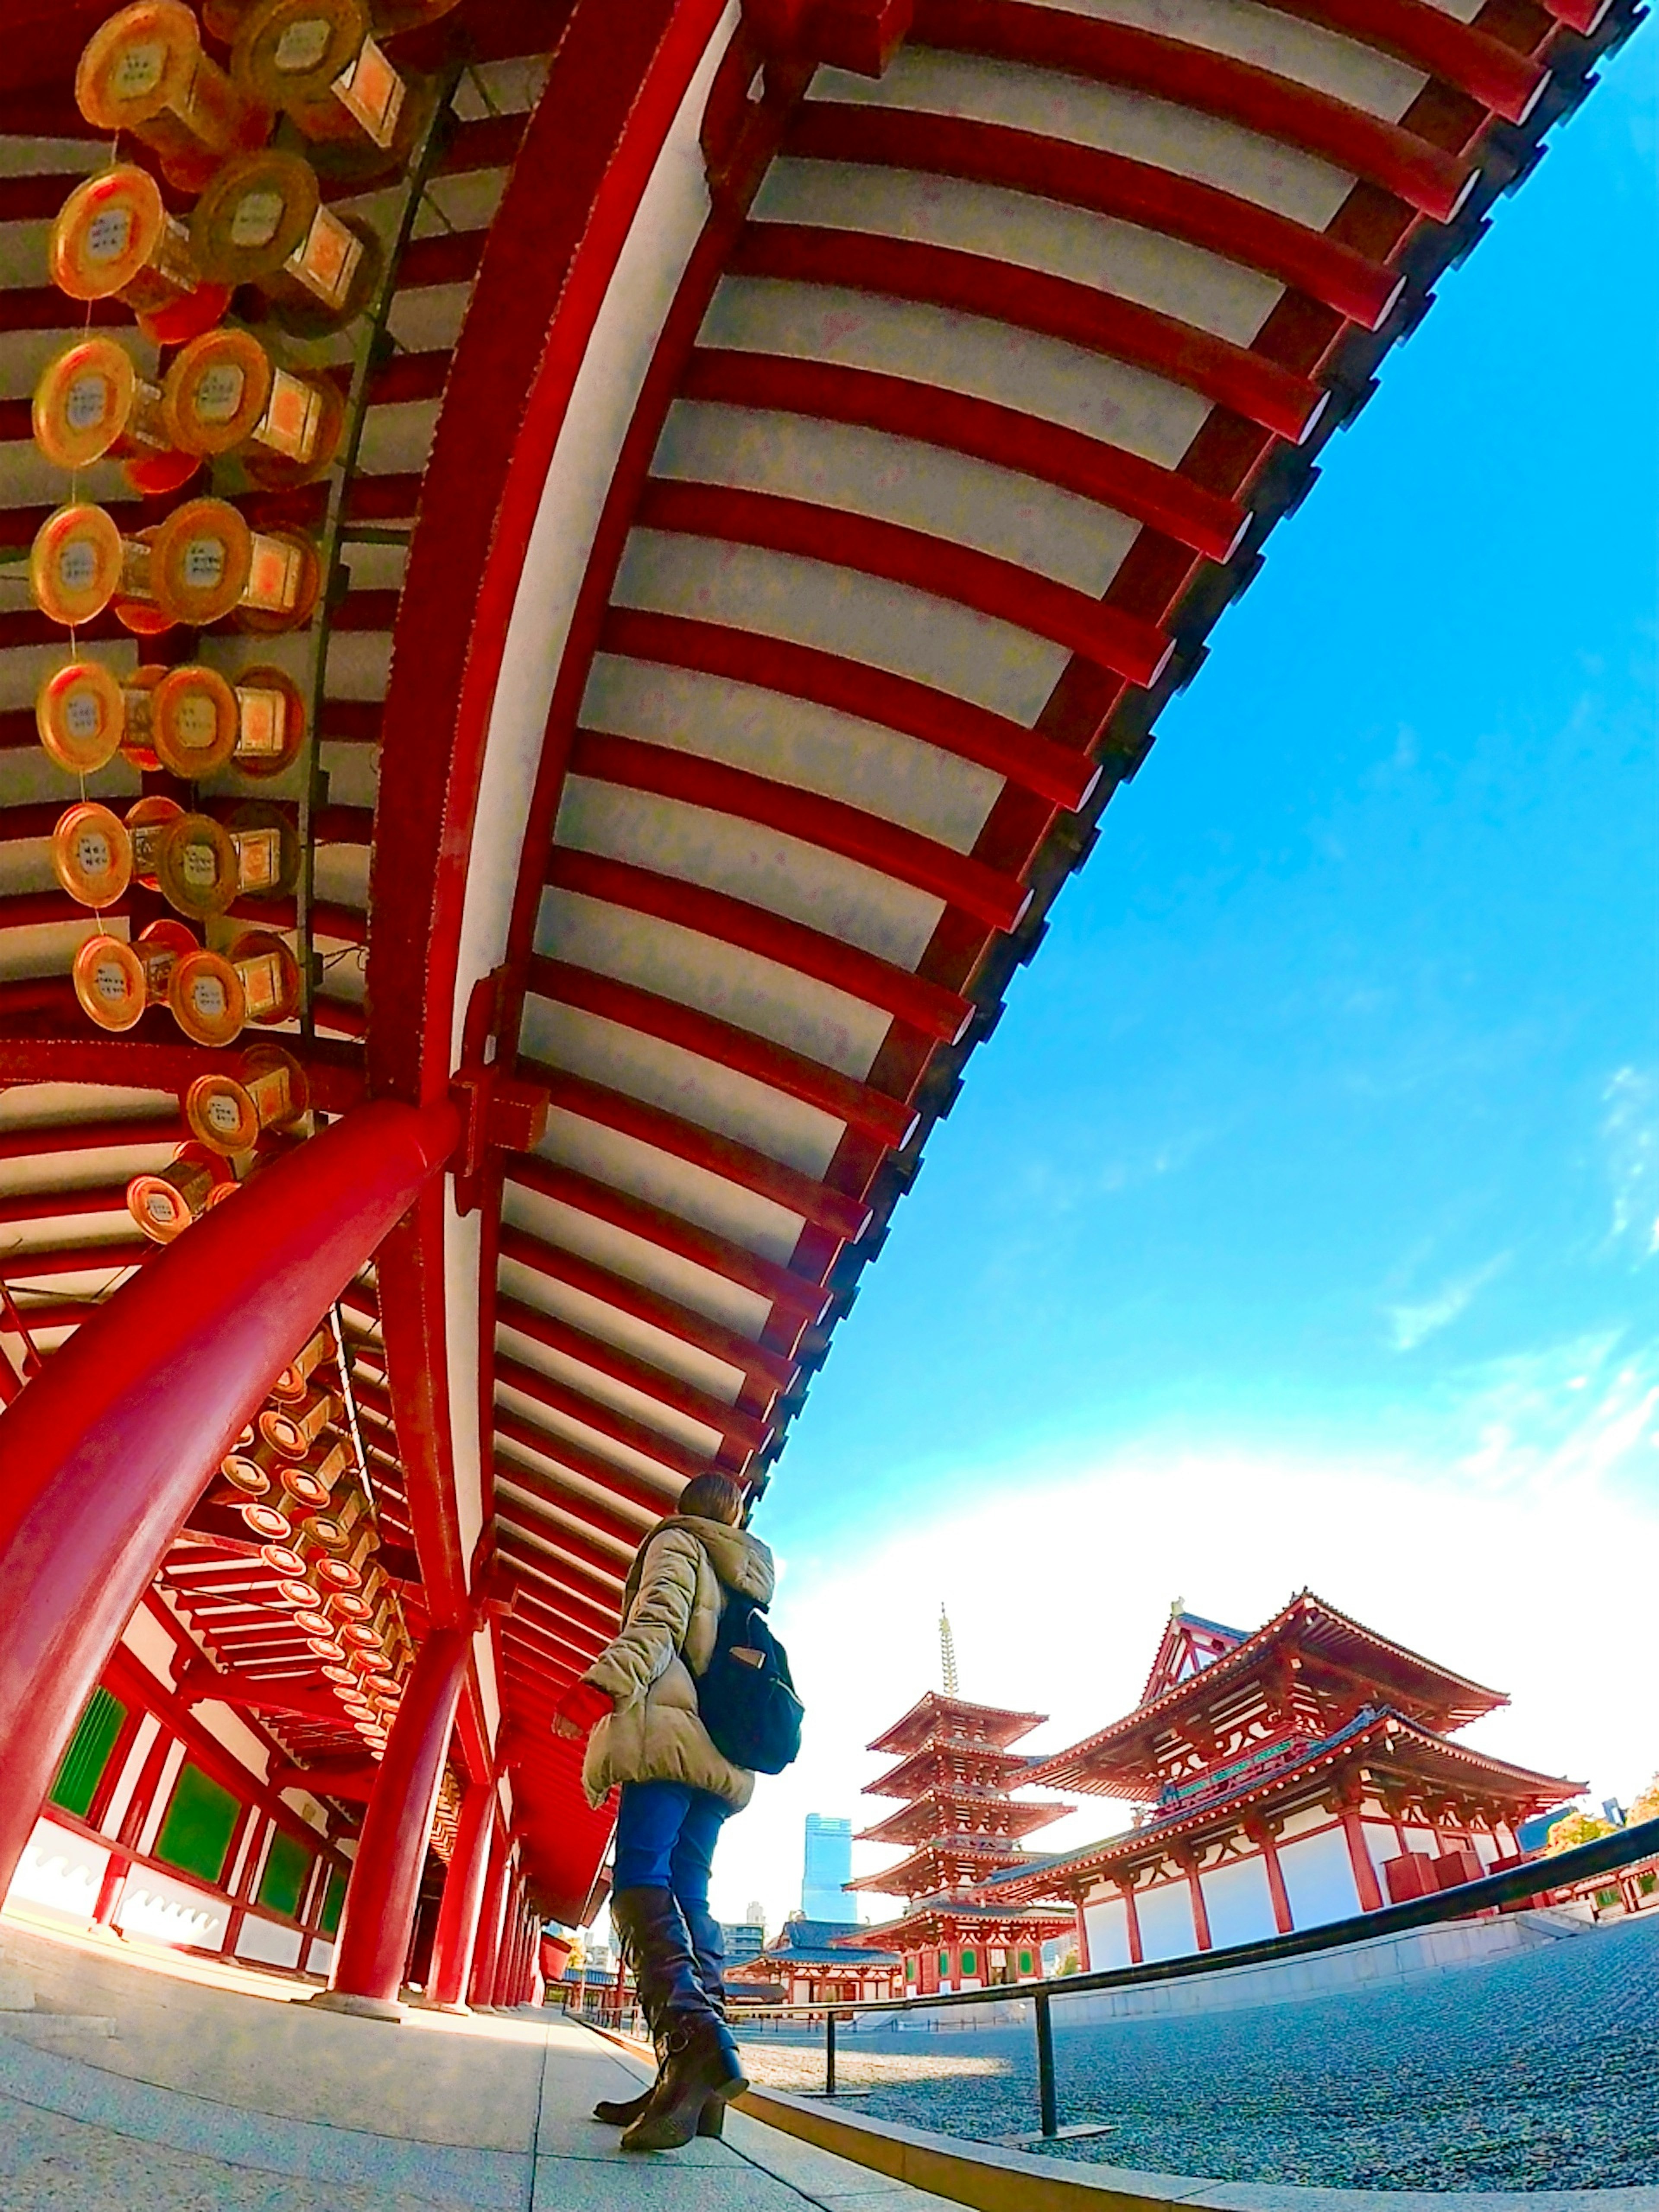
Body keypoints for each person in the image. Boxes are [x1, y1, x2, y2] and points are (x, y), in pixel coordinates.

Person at [552, 1469, 775, 2153]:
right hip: (723, 1755)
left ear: (686, 1509)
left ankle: (697, 2048)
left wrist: (599, 1688)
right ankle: (693, 2091)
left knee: (639, 1879)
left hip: (669, 1739)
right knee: (691, 1896)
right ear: (735, 1515)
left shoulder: (679, 1545)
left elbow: (657, 1624)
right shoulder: (749, 1574)